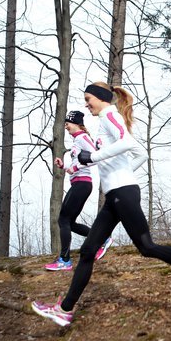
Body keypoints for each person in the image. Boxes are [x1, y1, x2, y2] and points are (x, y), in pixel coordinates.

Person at [32, 82, 171, 327]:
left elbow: (128, 143)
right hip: (115, 195)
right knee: (89, 251)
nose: (86, 103)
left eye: (88, 98)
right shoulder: (104, 122)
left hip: (123, 193)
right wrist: (112, 169)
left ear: (100, 98)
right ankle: (65, 310)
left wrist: (103, 162)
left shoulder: (109, 114)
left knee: (147, 246)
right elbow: (140, 153)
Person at [43, 110, 113, 271]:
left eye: (68, 123)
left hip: (83, 183)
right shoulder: (77, 141)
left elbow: (95, 157)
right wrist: (65, 166)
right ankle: (102, 238)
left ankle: (65, 260)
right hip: (79, 183)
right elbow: (78, 164)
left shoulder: (82, 138)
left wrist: (75, 166)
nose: (66, 127)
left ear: (76, 123)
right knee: (69, 223)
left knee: (63, 220)